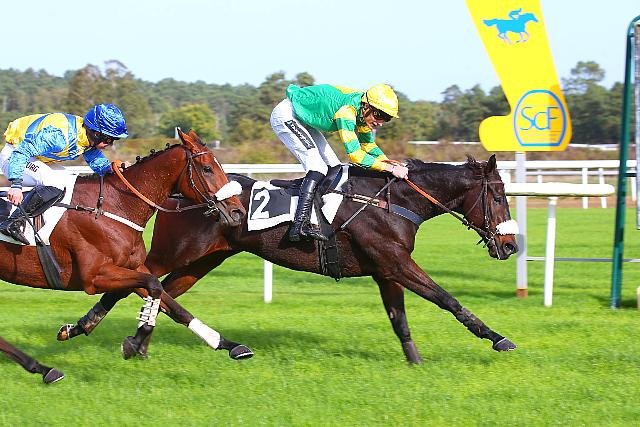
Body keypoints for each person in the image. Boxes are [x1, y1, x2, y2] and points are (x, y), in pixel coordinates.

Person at [270, 83, 409, 242]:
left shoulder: (362, 114)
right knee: (317, 167)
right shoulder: (347, 112)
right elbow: (355, 156)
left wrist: (392, 164)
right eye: (379, 116)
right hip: (287, 115)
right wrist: (389, 168)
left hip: (303, 118)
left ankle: (315, 213)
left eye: (386, 118)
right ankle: (299, 225)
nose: (381, 122)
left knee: (335, 168)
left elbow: (368, 146)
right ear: (366, 106)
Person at [0, 103, 128, 244]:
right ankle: (13, 222)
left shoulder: (84, 137)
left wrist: (111, 169)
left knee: (71, 182)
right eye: (109, 140)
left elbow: (95, 159)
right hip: (15, 156)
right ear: (96, 134)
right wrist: (16, 184)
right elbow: (22, 152)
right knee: (55, 183)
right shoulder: (59, 138)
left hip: (35, 157)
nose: (110, 144)